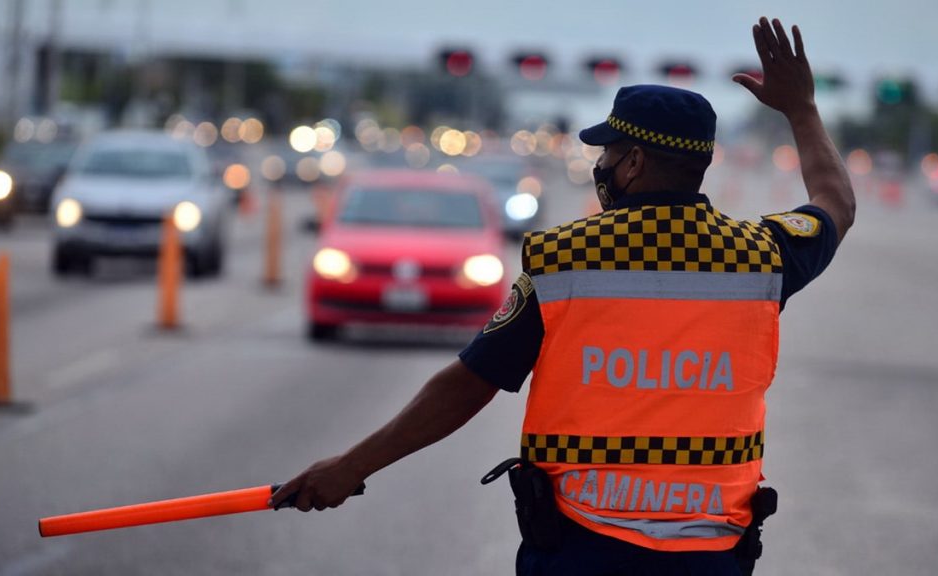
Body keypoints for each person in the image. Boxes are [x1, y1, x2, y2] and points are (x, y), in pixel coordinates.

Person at [271, 17, 855, 576]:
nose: (598, 166)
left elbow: (469, 383)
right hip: (709, 556)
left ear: (632, 162)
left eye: (606, 153)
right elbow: (836, 204)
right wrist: (801, 110)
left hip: (582, 549)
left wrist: (352, 467)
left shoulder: (563, 260)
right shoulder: (761, 257)